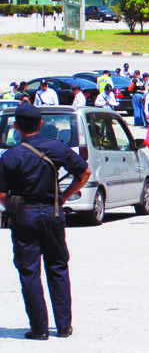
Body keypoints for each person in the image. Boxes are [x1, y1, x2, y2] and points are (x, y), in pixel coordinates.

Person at [0, 103, 92, 340]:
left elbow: (1, 195)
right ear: (41, 124)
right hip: (52, 213)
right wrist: (63, 197)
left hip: (23, 216)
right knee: (58, 267)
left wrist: (15, 206)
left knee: (29, 272)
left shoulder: (10, 156)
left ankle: (39, 329)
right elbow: (85, 174)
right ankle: (64, 326)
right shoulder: (56, 148)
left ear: (16, 127)